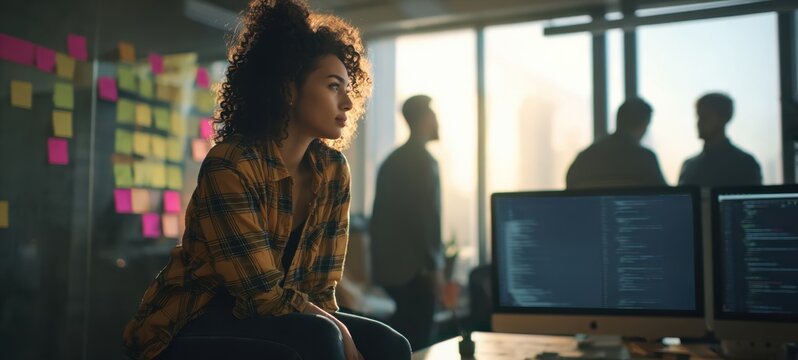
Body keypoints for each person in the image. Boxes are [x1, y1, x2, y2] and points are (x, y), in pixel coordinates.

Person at [122, 1, 410, 360]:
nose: (349, 102)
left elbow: (321, 290)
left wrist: (337, 327)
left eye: (350, 88)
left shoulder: (334, 171)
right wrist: (338, 330)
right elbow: (260, 295)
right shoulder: (231, 163)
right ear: (288, 89)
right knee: (321, 337)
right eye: (334, 86)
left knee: (391, 346)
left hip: (276, 318)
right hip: (192, 321)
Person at [370, 95, 452, 351]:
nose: (438, 121)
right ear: (423, 119)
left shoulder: (394, 160)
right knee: (419, 343)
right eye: (433, 115)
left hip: (392, 270)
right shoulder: (422, 161)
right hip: (414, 272)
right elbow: (423, 219)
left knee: (404, 338)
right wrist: (433, 268)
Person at [566, 98, 667, 189]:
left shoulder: (584, 158)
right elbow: (663, 197)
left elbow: (570, 191)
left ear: (618, 120)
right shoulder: (646, 159)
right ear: (644, 125)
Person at [678, 92, 762, 186]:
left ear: (723, 119)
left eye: (705, 117)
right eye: (698, 117)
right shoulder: (688, 166)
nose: (699, 123)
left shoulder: (746, 165)